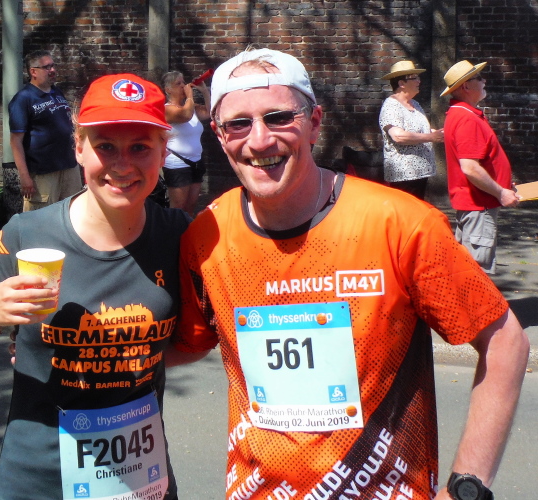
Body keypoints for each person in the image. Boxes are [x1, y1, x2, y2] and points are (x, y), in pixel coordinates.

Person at [169, 48, 529, 500]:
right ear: (220, 137)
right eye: (238, 124)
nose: (259, 140)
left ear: (314, 123)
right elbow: (183, 344)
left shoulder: (400, 224)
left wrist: (466, 487)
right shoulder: (207, 236)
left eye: (278, 117)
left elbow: (505, 341)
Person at [0, 73, 190, 500]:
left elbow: (199, 338)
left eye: (140, 147)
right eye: (105, 146)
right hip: (37, 480)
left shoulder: (181, 236)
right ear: (78, 147)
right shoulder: (26, 233)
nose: (123, 164)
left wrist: (127, 355)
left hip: (140, 481)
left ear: (163, 152)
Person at [442, 60, 520, 275]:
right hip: (479, 206)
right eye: (478, 78)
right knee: (476, 275)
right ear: (466, 86)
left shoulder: (462, 114)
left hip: (476, 204)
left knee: (468, 270)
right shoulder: (467, 119)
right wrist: (501, 192)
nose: (484, 81)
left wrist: (502, 182)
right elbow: (470, 167)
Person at [7, 50, 82, 215]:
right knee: (41, 219)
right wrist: (24, 176)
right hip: (43, 174)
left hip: (69, 168)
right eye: (47, 67)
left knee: (72, 214)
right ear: (33, 72)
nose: (52, 70)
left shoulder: (57, 92)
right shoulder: (23, 99)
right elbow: (15, 141)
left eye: (53, 65)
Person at [379, 60, 443, 199]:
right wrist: (431, 137)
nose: (419, 81)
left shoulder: (415, 104)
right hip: (404, 175)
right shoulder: (391, 106)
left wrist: (440, 134)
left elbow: (422, 131)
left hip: (420, 173)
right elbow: (398, 136)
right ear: (401, 83)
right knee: (405, 210)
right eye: (414, 78)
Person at [162, 71, 211, 214]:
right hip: (177, 163)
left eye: (183, 82)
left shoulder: (191, 107)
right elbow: (185, 115)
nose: (183, 86)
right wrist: (190, 95)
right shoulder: (167, 109)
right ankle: (173, 229)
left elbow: (209, 112)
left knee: (191, 204)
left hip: (196, 161)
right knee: (178, 206)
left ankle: (187, 228)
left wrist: (204, 91)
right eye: (178, 83)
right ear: (168, 89)